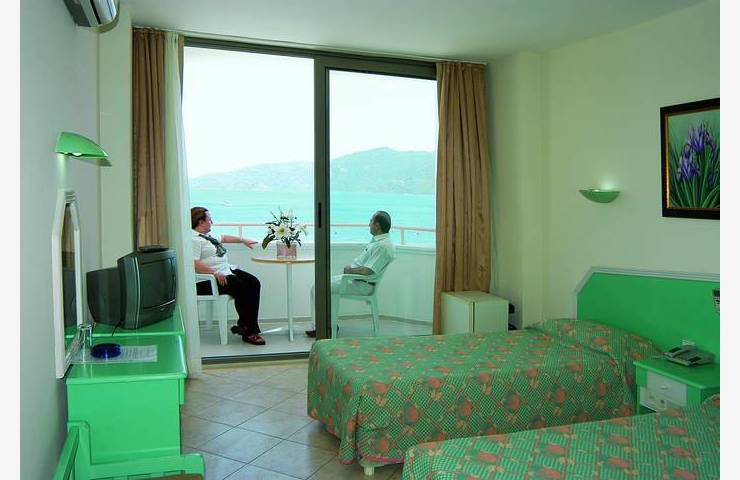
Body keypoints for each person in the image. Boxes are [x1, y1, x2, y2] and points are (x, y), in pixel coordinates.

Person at [305, 210, 395, 337]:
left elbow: (368, 271)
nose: (369, 224)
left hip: (362, 285)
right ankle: (327, 325)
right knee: (319, 285)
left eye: (371, 221)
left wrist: (350, 271)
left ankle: (324, 327)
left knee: (318, 287)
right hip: (355, 280)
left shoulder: (383, 246)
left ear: (377, 225)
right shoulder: (378, 242)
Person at [191, 206, 266, 345]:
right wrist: (213, 273)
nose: (212, 222)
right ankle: (249, 331)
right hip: (209, 280)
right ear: (201, 222)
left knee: (254, 282)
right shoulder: (193, 239)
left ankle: (245, 326)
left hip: (226, 270)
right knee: (242, 288)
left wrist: (243, 240)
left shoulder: (208, 235)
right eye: (209, 219)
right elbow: (193, 263)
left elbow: (224, 238)